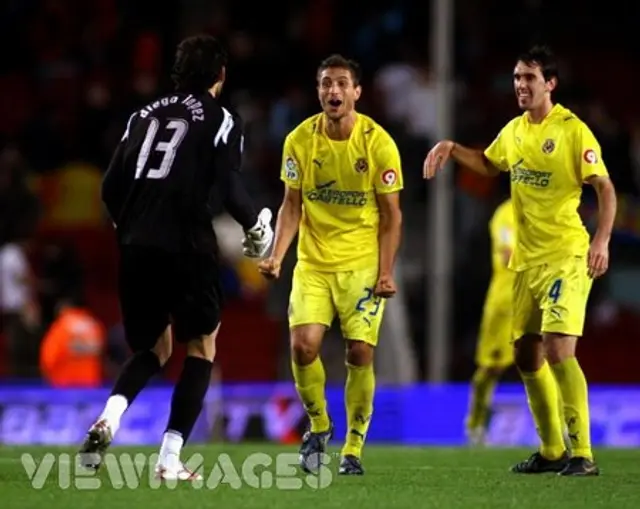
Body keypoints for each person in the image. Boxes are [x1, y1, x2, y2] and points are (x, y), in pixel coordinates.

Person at [78, 34, 273, 481]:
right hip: (187, 242)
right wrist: (255, 227)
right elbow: (227, 185)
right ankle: (168, 459)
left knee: (153, 347)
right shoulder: (221, 118)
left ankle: (109, 415)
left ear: (177, 74)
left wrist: (128, 225)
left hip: (135, 244)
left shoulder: (141, 115)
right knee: (201, 346)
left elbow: (109, 187)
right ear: (221, 75)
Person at [423, 45, 616, 476]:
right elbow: (489, 165)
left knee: (558, 347)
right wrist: (454, 148)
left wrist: (601, 240)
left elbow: (604, 187)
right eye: (516, 78)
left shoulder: (572, 130)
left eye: (529, 78)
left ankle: (582, 452)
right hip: (526, 262)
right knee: (526, 354)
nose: (520, 86)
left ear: (550, 84)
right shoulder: (513, 131)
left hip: (565, 254)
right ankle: (551, 451)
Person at [258, 54, 403, 475]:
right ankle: (319, 426)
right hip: (314, 262)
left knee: (360, 351)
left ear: (357, 92)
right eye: (325, 84)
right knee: (303, 346)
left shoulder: (378, 143)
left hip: (361, 262)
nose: (333, 91)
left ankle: (353, 448)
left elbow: (392, 215)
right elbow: (290, 206)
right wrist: (277, 256)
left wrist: (386, 270)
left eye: (341, 83)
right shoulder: (300, 140)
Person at [465, 197, 516, 445]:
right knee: (490, 367)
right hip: (505, 303)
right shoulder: (505, 214)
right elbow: (508, 255)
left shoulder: (547, 209)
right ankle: (475, 422)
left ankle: (561, 428)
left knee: (550, 359)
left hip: (538, 296)